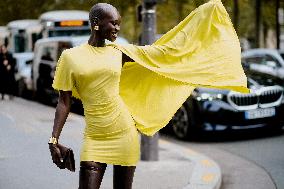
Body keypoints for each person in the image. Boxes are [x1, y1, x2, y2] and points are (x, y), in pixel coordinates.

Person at [49, 1, 249, 189]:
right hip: (93, 137)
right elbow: (64, 103)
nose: (118, 28)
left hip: (124, 134)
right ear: (96, 23)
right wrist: (54, 139)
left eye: (119, 23)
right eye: (113, 23)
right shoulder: (70, 57)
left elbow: (163, 52)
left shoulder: (119, 52)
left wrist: (203, 16)